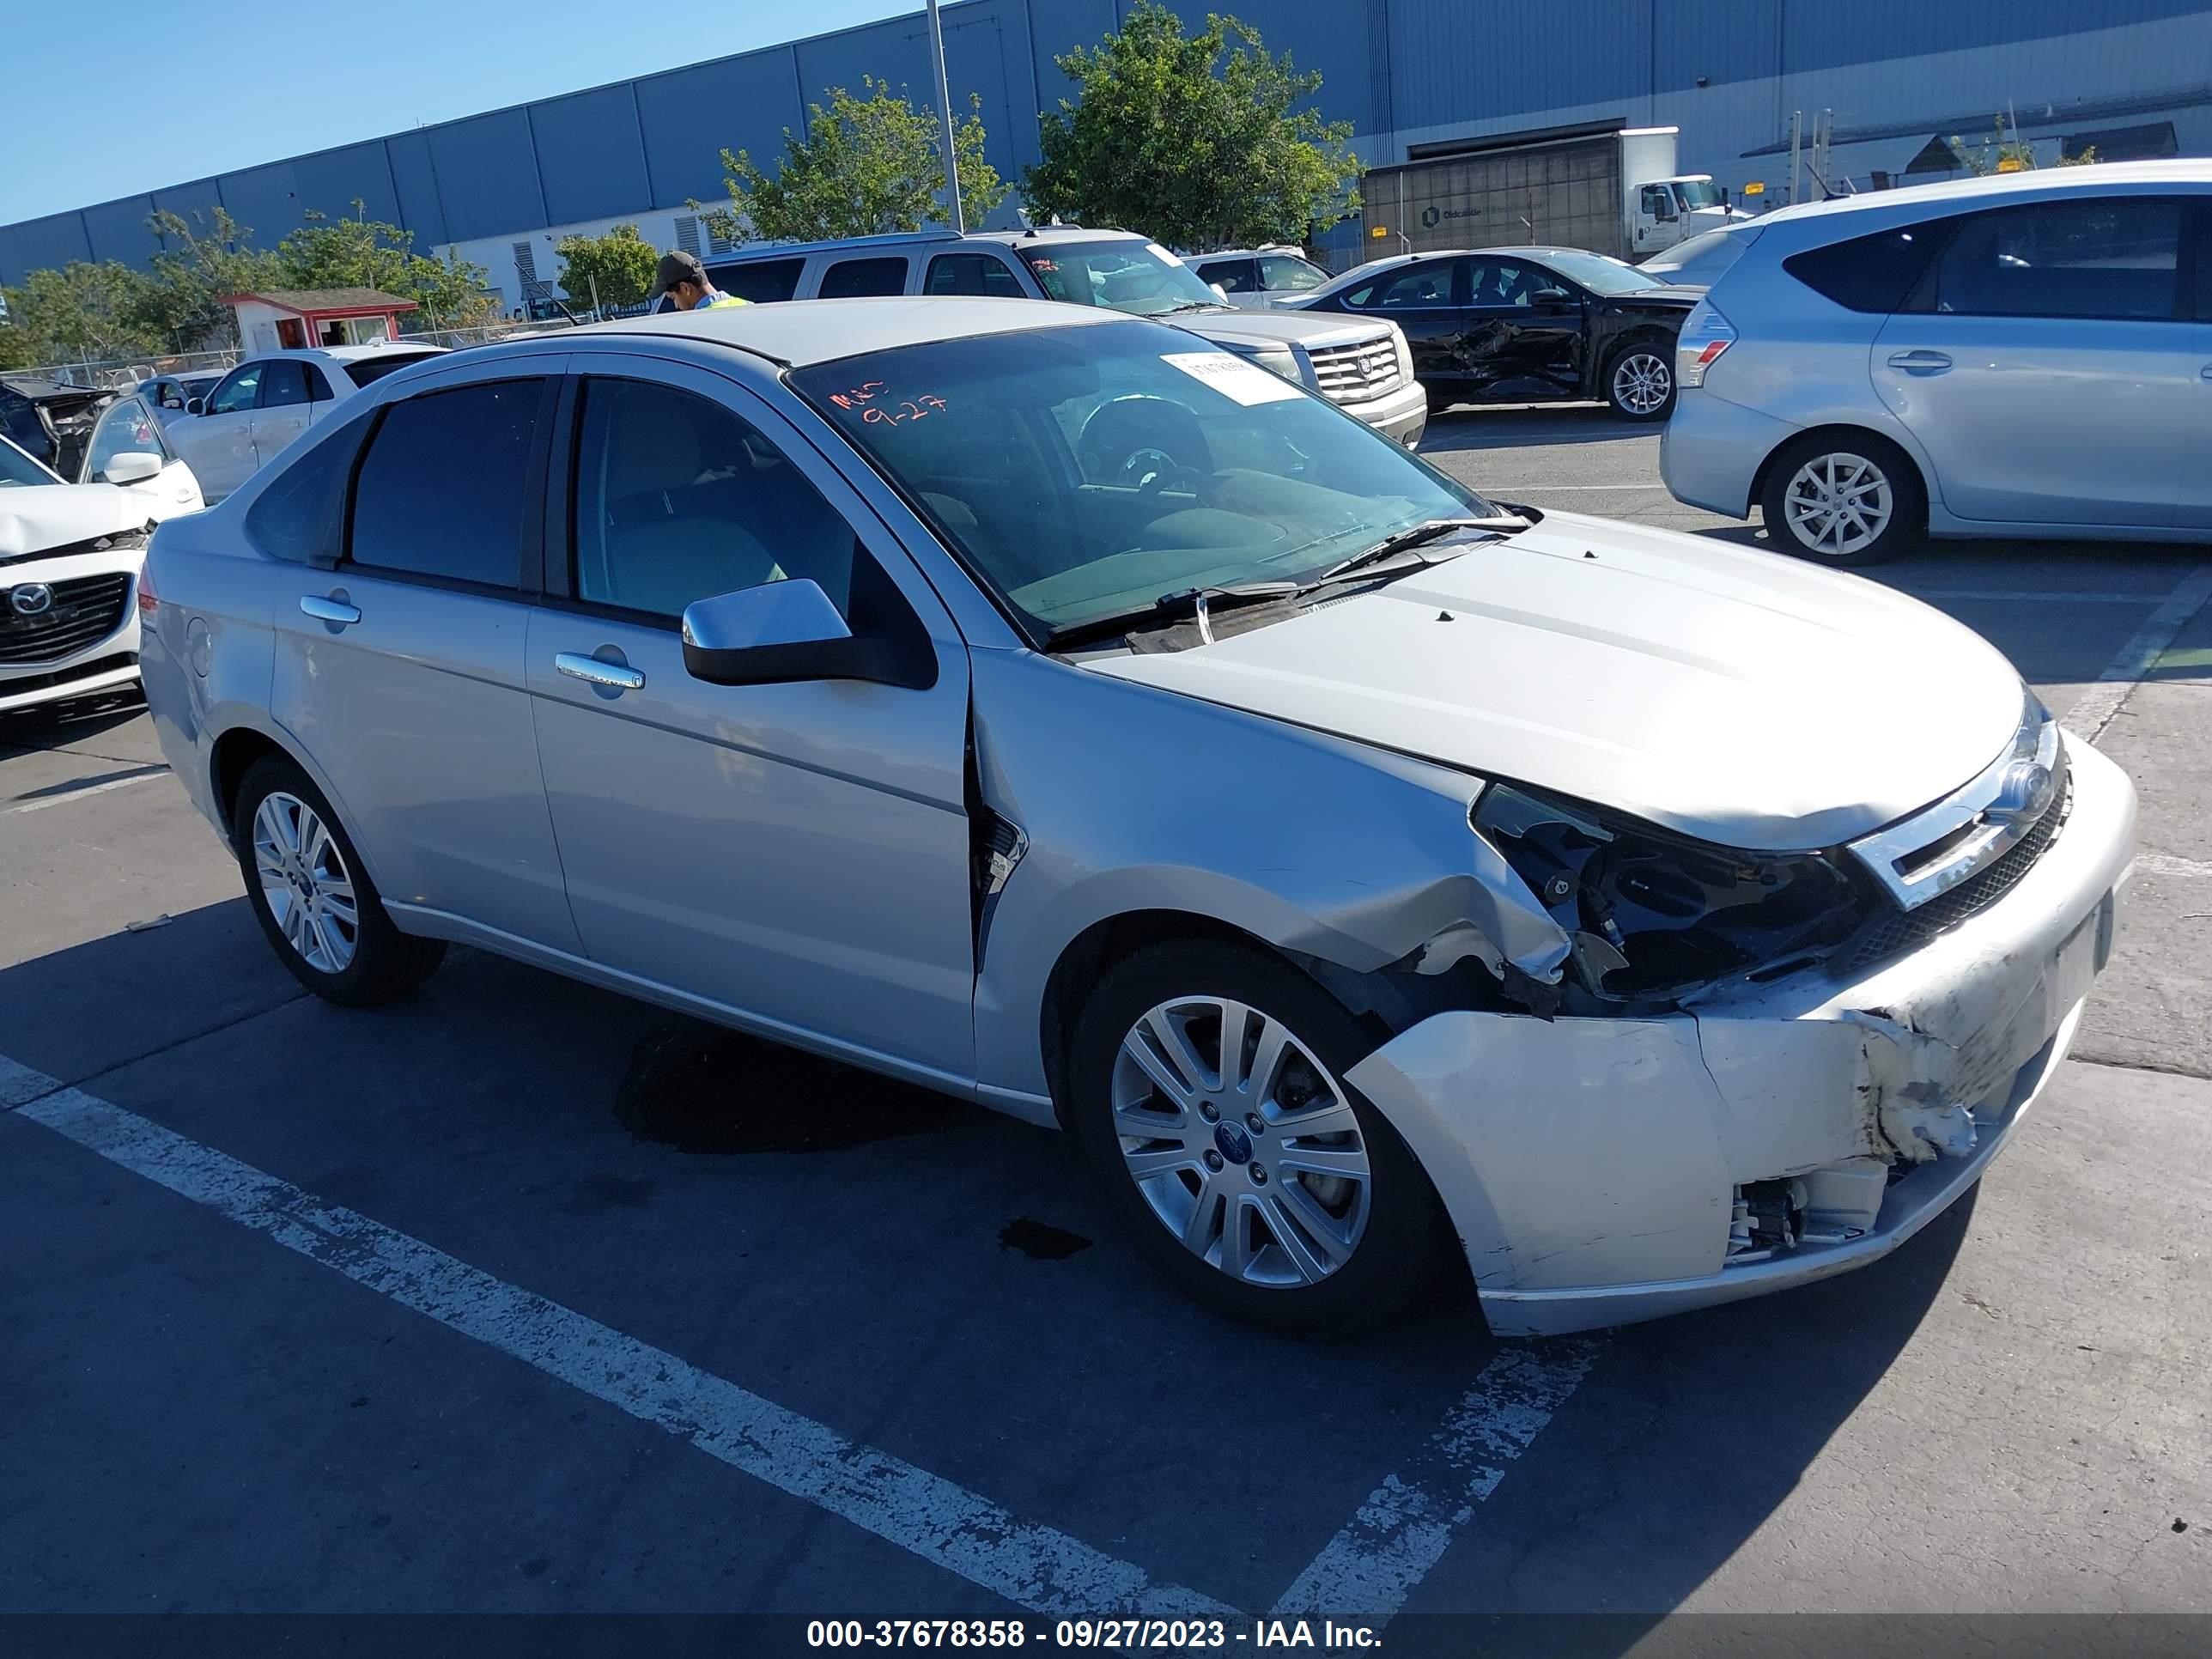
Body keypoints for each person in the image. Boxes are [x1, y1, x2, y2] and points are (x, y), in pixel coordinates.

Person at [647, 250, 749, 313]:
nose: (676, 305)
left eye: (673, 298)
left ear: (685, 288)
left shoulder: (699, 323)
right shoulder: (747, 306)